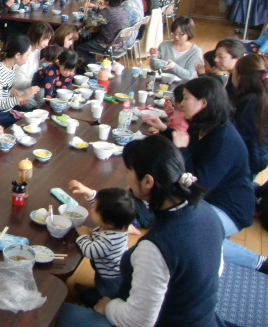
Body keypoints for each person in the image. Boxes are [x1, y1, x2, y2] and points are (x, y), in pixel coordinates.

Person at [56, 135, 226, 327]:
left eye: (129, 170)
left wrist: (109, 307)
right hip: (202, 318)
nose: (127, 177)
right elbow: (217, 269)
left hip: (162, 321)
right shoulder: (206, 210)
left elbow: (139, 322)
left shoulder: (157, 246)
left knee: (56, 311)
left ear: (147, 181)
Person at [143, 76, 262, 271]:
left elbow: (199, 183)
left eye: (186, 98)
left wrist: (181, 149)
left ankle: (258, 262)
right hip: (206, 199)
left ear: (203, 103)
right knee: (170, 224)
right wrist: (164, 129)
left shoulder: (224, 138)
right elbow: (188, 147)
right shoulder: (202, 124)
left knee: (186, 235)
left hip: (230, 207)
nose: (180, 104)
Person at [66, 181, 136, 304]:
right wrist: (87, 191)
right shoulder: (119, 223)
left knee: (91, 298)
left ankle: (102, 298)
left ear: (109, 223)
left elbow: (89, 251)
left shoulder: (109, 241)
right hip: (111, 271)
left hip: (111, 280)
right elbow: (103, 204)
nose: (92, 208)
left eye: (94, 209)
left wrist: (84, 235)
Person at [0, 33, 37, 125]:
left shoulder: (11, 66)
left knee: (34, 113)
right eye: (27, 55)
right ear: (18, 55)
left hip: (6, 109)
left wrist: (14, 91)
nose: (28, 58)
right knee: (28, 122)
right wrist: (21, 97)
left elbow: (6, 86)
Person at [230, 54, 268, 178]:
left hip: (247, 160)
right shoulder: (260, 96)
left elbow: (238, 136)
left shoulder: (250, 102)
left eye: (235, 70)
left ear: (241, 76)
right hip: (258, 156)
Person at [75, 0, 129, 66]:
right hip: (122, 45)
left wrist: (85, 13)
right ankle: (91, 65)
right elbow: (103, 18)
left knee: (79, 48)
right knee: (89, 39)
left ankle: (88, 68)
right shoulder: (122, 9)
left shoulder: (107, 12)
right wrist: (98, 8)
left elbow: (89, 22)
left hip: (108, 45)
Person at [13, 21, 53, 96]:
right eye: (45, 40)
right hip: (21, 94)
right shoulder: (24, 55)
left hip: (31, 91)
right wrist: (39, 81)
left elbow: (33, 69)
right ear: (35, 36)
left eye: (48, 40)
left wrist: (46, 61)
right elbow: (17, 84)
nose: (47, 44)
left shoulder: (36, 50)